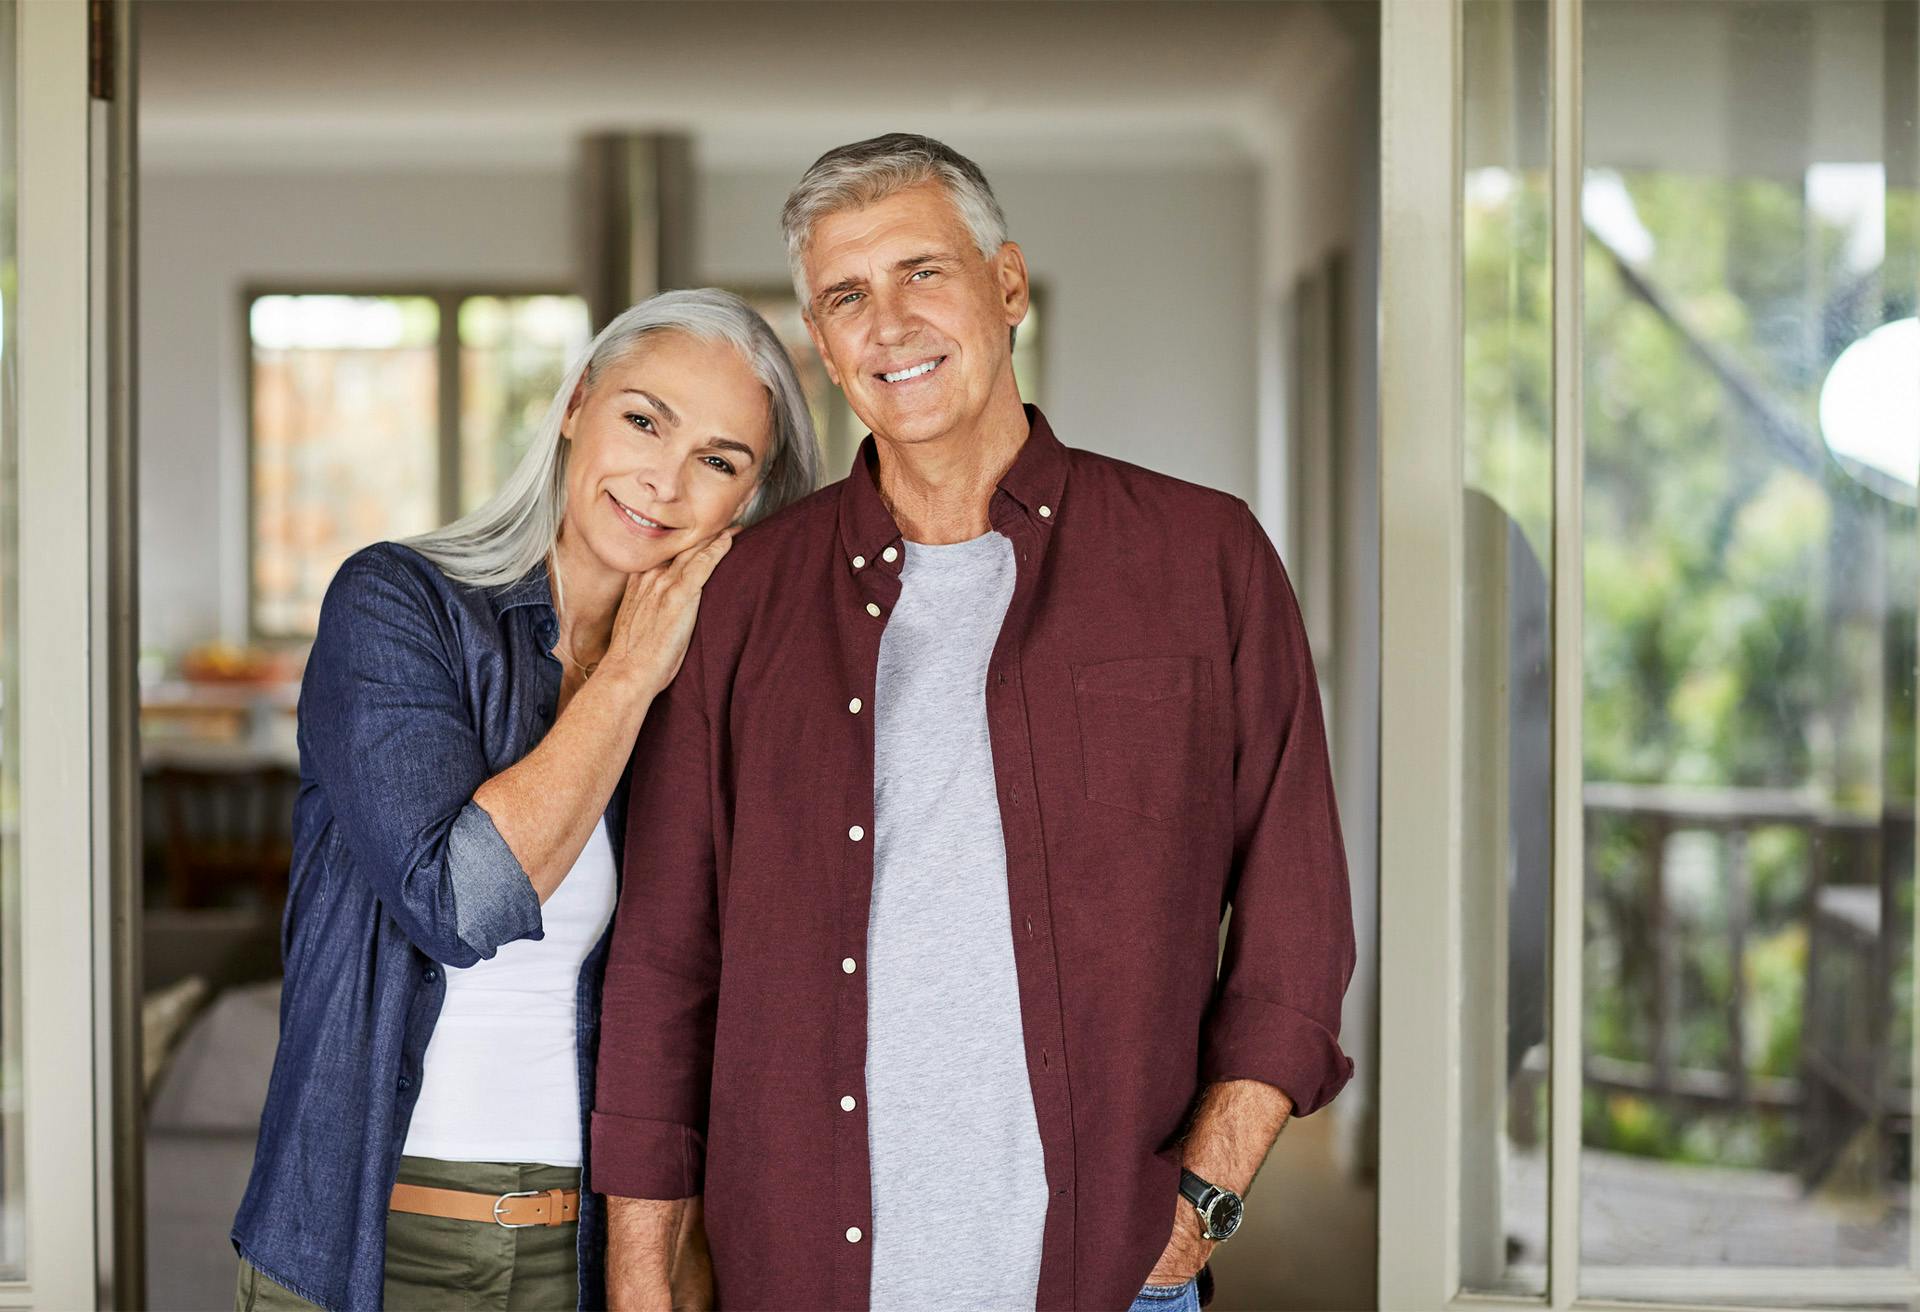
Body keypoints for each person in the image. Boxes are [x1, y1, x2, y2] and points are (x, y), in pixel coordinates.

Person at [591, 135, 1356, 1312]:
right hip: (797, 1270)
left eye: (921, 273)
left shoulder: (1203, 557)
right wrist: (645, 1280)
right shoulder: (740, 595)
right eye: (847, 295)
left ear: (1007, 285)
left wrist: (1204, 1196)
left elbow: (1298, 913)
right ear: (823, 346)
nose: (888, 322)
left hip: (1109, 1275)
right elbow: (663, 960)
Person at [229, 289, 819, 1312]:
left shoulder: (718, 695)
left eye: (720, 460)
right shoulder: (396, 605)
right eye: (644, 419)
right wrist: (629, 673)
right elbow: (461, 901)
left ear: (749, 502)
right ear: (576, 404)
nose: (664, 479)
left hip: (590, 1253)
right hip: (364, 1245)